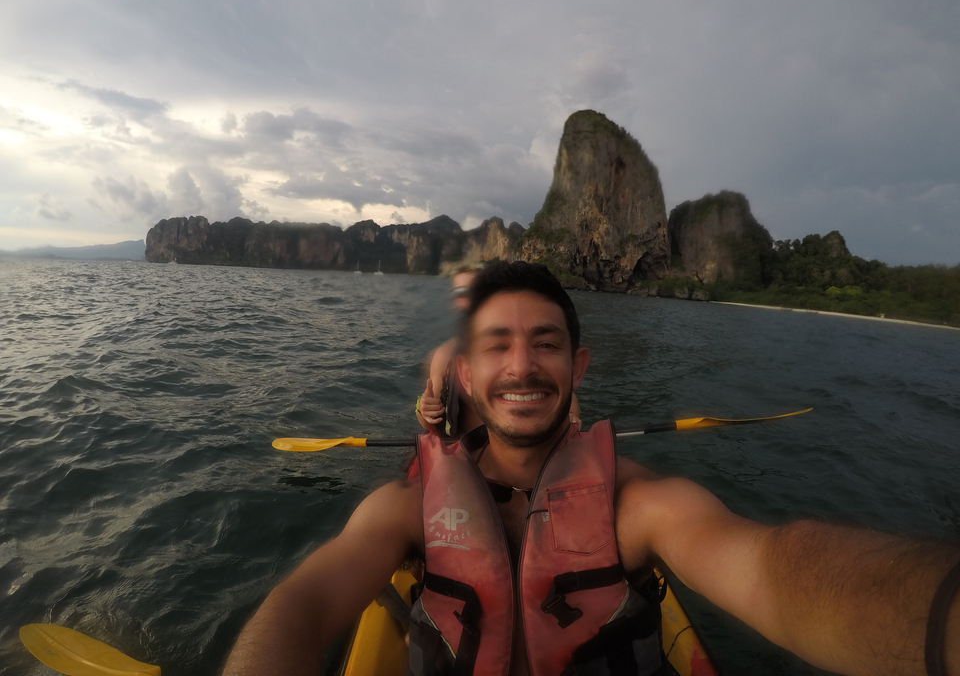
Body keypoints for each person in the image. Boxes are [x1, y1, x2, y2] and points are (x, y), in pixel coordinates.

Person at [223, 261, 960, 676]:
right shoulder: (407, 508)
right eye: (499, 347)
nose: (521, 363)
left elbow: (775, 569)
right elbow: (304, 604)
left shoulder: (639, 505)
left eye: (545, 345)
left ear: (577, 369)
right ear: (470, 376)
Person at [416, 265, 582, 438]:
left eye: (475, 290)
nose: (520, 368)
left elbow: (566, 397)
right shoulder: (444, 356)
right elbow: (431, 419)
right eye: (460, 293)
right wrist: (423, 409)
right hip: (466, 448)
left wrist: (571, 416)